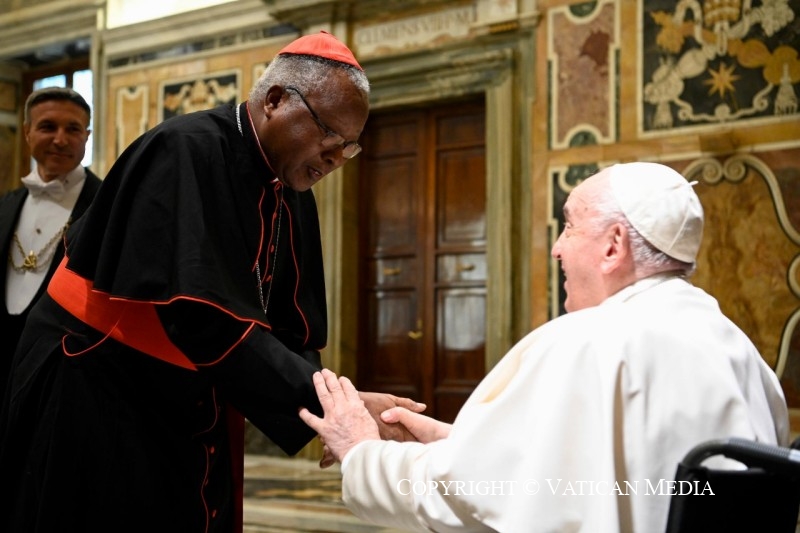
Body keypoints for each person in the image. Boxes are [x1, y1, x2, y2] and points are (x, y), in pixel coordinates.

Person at [0, 32, 423, 533]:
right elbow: (199, 319)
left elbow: (293, 327)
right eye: (329, 135)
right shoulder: (185, 151)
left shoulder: (293, 189)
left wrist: (331, 412)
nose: (335, 158)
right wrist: (333, 406)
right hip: (97, 386)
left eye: (349, 148)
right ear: (274, 101)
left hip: (189, 393)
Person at [299, 161, 790, 532]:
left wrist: (360, 449)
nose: (557, 247)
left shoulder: (584, 341)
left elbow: (463, 495)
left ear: (614, 246)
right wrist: (457, 441)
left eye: (571, 226)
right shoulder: (740, 352)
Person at [0, 87, 101, 402]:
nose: (60, 139)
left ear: (86, 137)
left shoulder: (106, 206)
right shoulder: (5, 205)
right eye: (47, 127)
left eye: (72, 129)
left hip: (66, 375)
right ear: (28, 133)